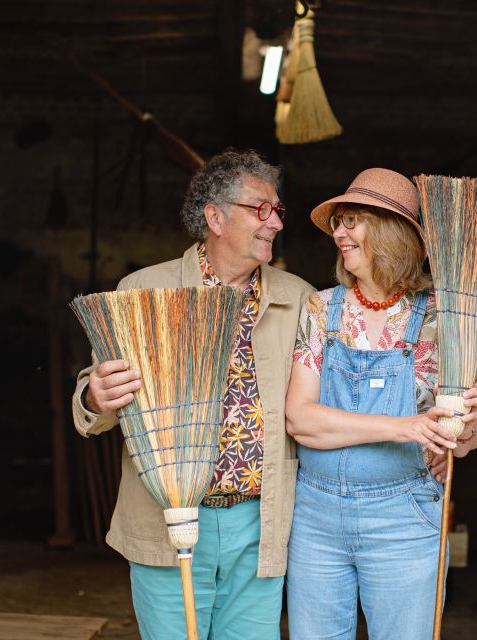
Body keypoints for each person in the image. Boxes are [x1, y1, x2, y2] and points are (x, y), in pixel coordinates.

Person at [70, 149, 314, 640]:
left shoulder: (300, 299)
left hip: (260, 520)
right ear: (215, 217)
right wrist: (95, 397)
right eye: (259, 209)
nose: (274, 222)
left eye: (278, 210)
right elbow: (95, 393)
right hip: (172, 517)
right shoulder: (145, 290)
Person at [284, 168, 477, 640]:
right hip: (316, 514)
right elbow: (302, 420)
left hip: (403, 514)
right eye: (338, 222)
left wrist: (467, 425)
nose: (338, 232)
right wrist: (405, 428)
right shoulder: (320, 308)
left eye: (352, 220)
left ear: (389, 231)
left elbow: (468, 441)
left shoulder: (442, 317)